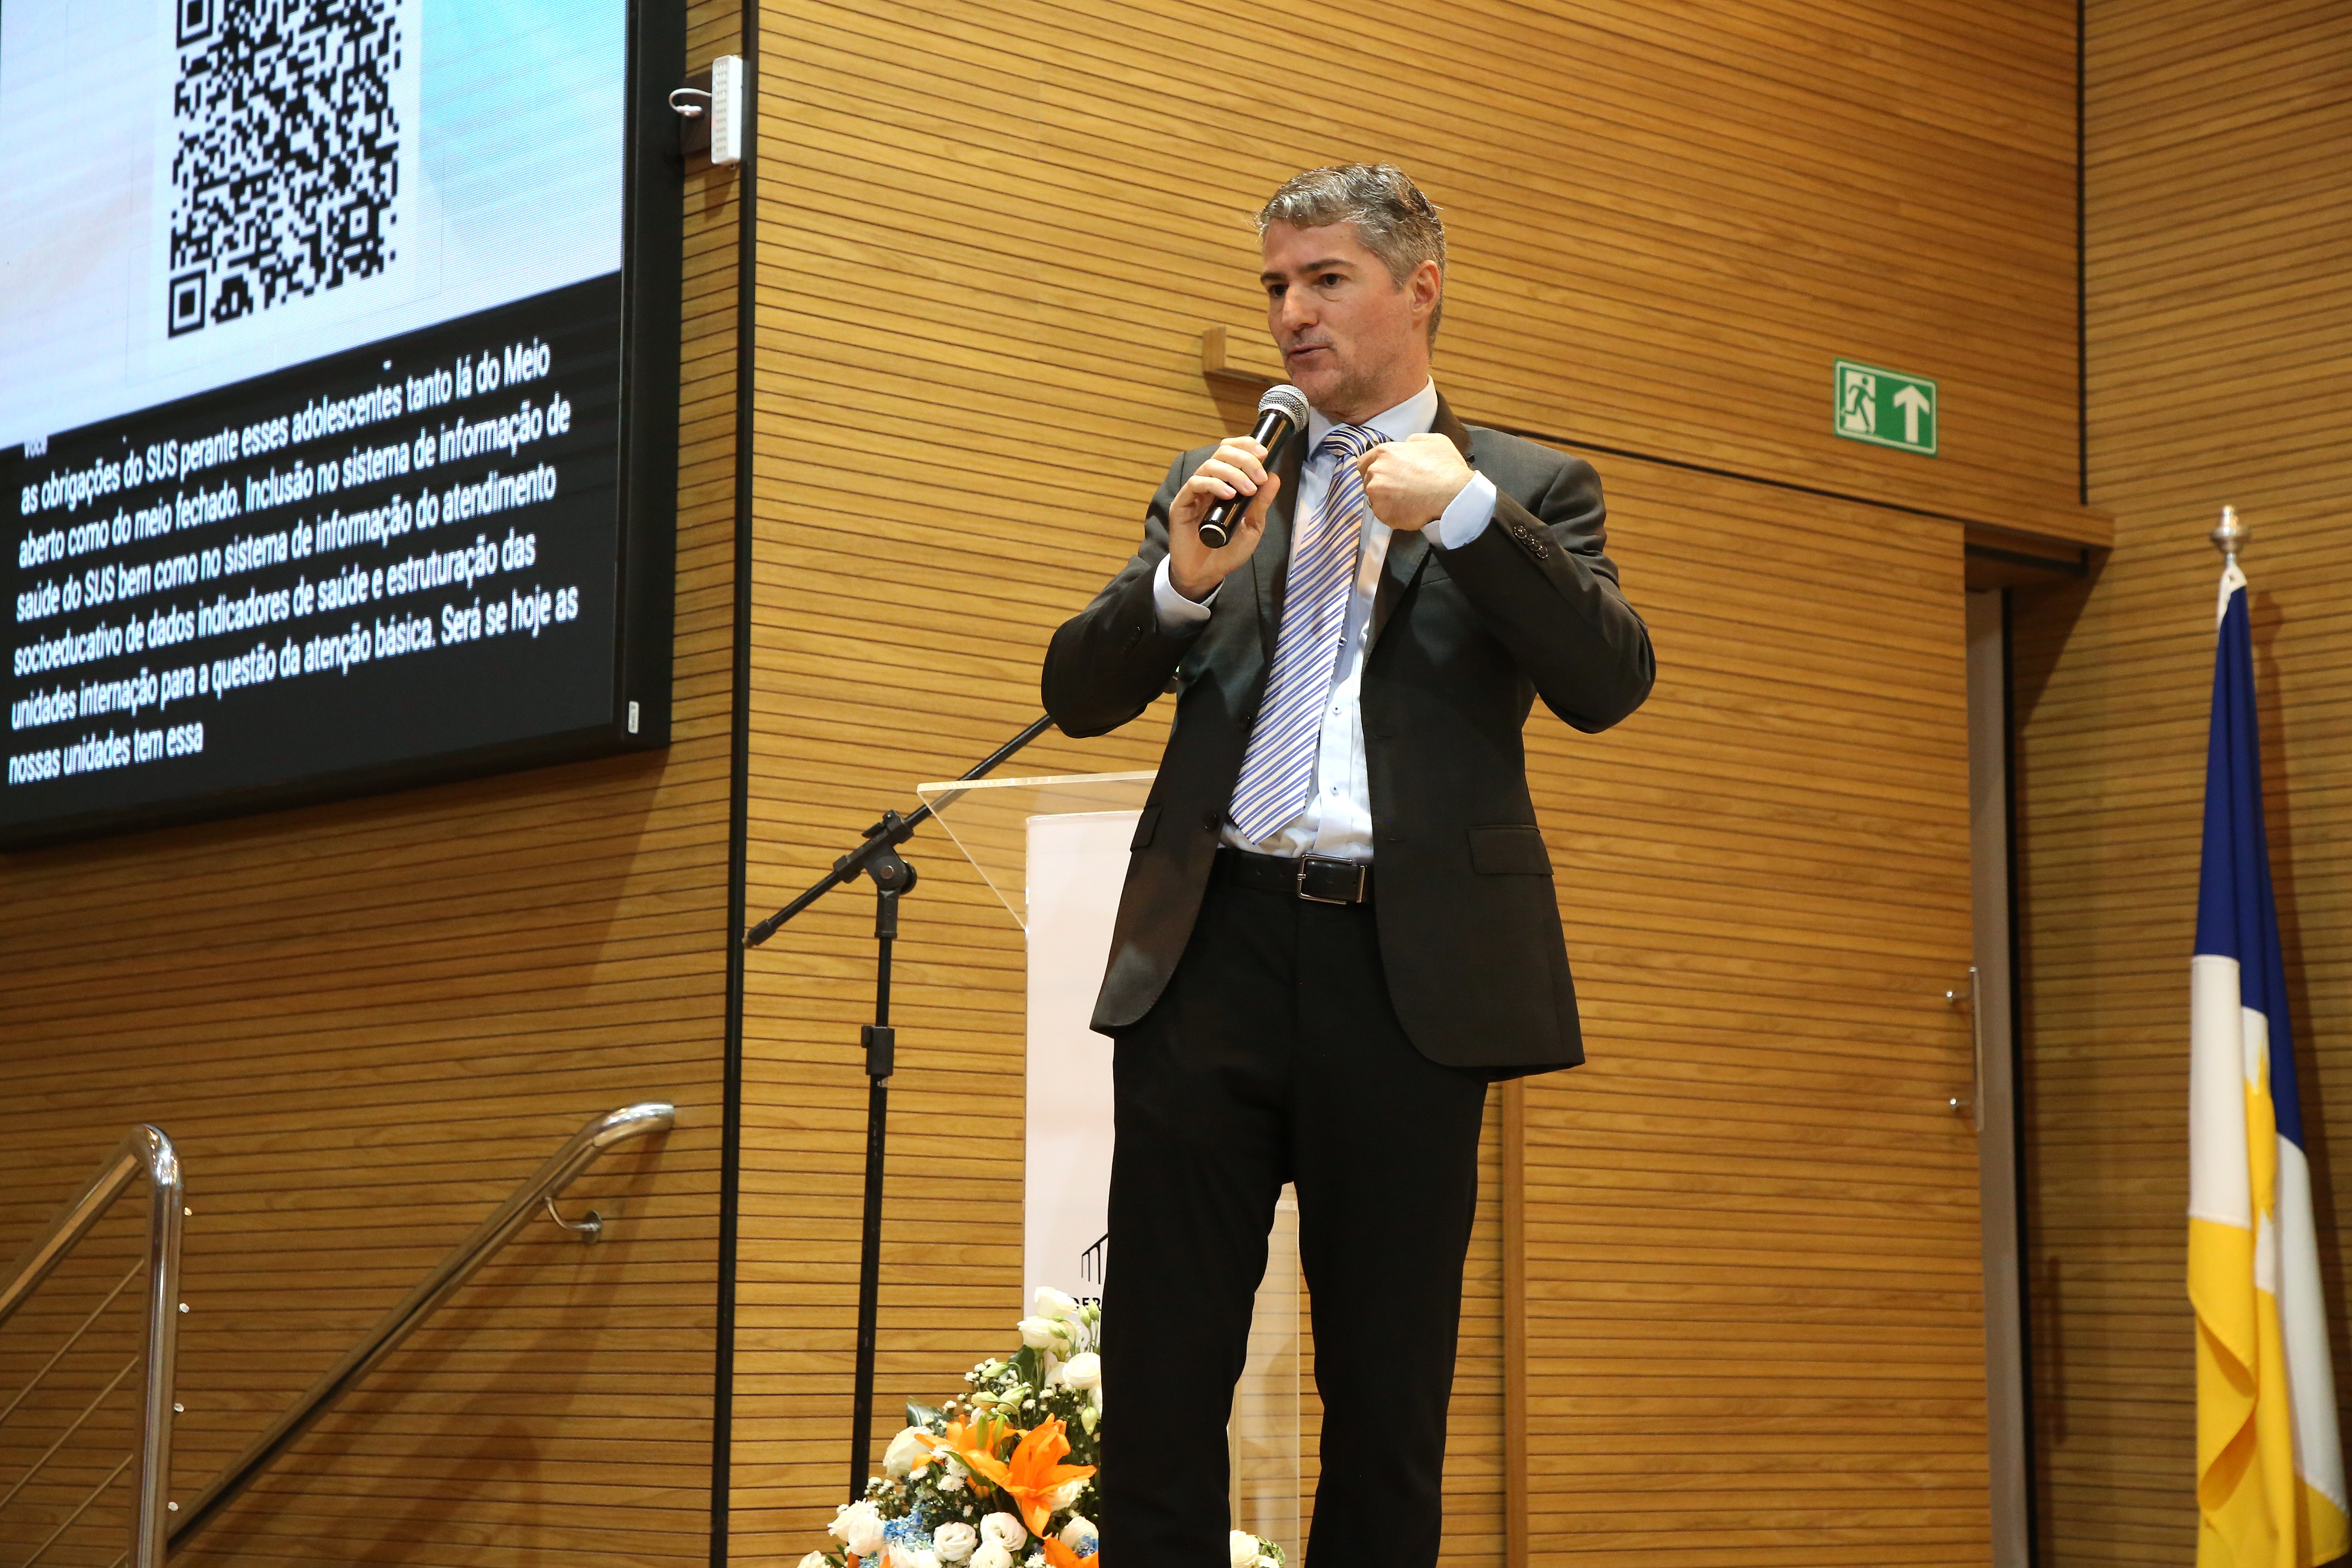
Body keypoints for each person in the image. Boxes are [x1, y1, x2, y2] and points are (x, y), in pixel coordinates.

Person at [1040, 163, 1655, 1568]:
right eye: (1274, 286)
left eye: (1325, 280)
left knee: (1386, 1402)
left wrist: (1462, 517)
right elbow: (1077, 692)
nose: (1291, 314)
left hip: (1406, 979)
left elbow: (1610, 681)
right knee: (1160, 1377)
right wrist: (1182, 583)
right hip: (1211, 961)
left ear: (1418, 288)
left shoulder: (1526, 488)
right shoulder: (1225, 489)